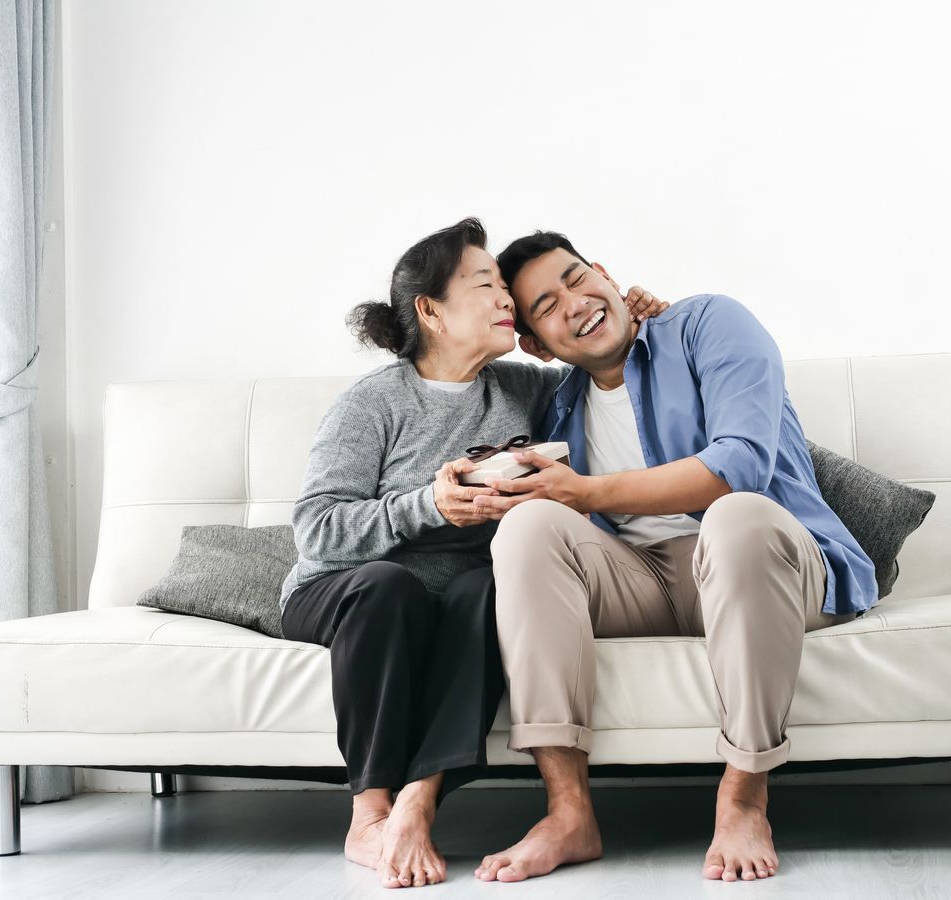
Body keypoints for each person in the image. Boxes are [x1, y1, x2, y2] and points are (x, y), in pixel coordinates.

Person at [467, 230, 878, 884]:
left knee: (735, 514)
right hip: (642, 581)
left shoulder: (709, 324)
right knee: (527, 526)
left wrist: (588, 491)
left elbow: (740, 465)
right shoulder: (558, 407)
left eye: (577, 278)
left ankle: (744, 797)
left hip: (767, 563)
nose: (575, 303)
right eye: (546, 306)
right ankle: (568, 813)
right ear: (537, 345)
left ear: (605, 273)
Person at [277, 218, 666, 889]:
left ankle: (417, 801)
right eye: (486, 285)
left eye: (505, 289)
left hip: (460, 595)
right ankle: (368, 814)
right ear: (431, 311)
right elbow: (317, 529)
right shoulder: (373, 404)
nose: (506, 299)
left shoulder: (524, 390)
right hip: (348, 592)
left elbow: (605, 371)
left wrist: (642, 320)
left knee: (486, 587)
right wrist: (427, 505)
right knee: (391, 586)